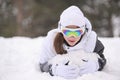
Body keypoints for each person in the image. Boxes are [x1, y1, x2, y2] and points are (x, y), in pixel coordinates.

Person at [39, 5, 106, 79]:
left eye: (77, 32)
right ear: (61, 30)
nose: (72, 36)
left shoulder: (91, 41)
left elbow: (102, 59)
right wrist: (55, 70)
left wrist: (96, 65)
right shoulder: (51, 41)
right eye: (67, 32)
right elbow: (42, 65)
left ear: (83, 31)